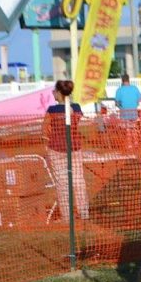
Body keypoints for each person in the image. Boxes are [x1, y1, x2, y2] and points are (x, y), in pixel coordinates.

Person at [43, 80, 89, 221]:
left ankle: (67, 217)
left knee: (62, 184)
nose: (53, 94)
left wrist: (46, 146)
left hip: (56, 149)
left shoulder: (52, 110)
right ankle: (84, 213)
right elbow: (78, 123)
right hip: (74, 148)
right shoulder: (76, 108)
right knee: (78, 181)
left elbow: (45, 130)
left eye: (54, 92)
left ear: (58, 93)